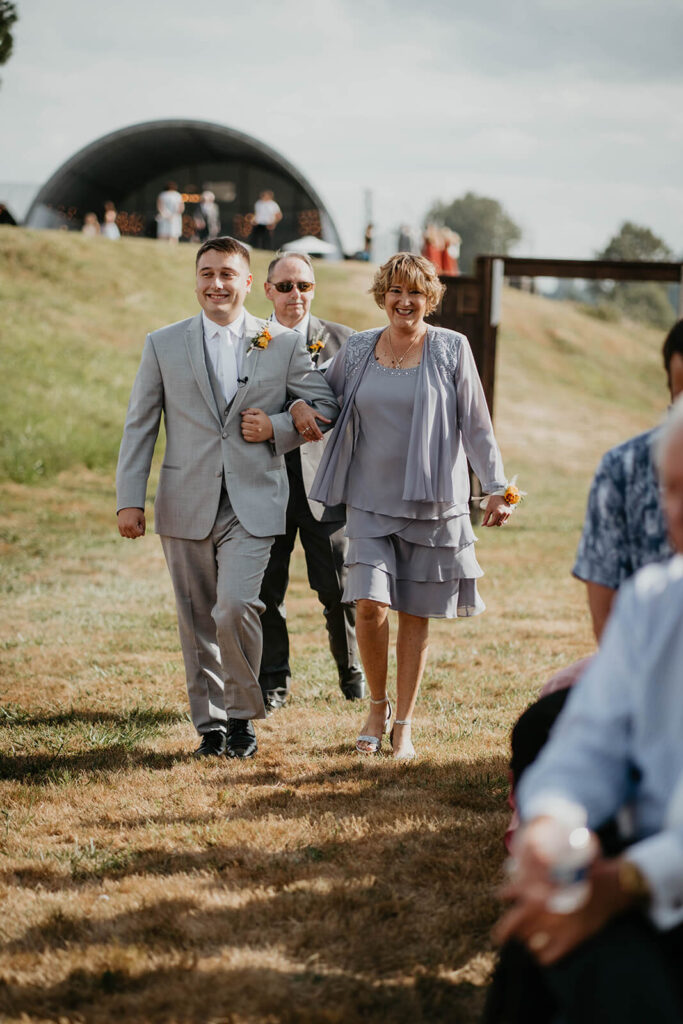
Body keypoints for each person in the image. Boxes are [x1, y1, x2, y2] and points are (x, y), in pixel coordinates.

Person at [490, 395, 683, 1024]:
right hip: (642, 873)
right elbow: (588, 743)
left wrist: (629, 882)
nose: (680, 513)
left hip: (655, 878)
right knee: (540, 942)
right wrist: (550, 824)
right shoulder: (655, 599)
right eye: (674, 491)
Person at [116, 236, 339, 760]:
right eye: (207, 274)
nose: (217, 284)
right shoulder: (163, 343)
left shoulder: (281, 341)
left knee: (236, 607)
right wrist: (130, 498)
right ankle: (211, 727)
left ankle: (242, 716)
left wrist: (280, 427)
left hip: (255, 499)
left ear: (246, 284)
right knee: (196, 616)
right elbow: (140, 426)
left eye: (227, 275)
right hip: (183, 498)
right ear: (197, 281)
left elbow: (325, 404)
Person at [293, 252, 514, 760]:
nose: (404, 301)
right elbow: (318, 395)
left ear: (430, 298)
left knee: (415, 614)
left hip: (432, 503)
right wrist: (297, 405)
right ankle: (376, 706)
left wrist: (497, 485)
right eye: (395, 290)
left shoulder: (452, 348)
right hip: (369, 501)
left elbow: (476, 425)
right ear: (382, 295)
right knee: (369, 606)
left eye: (415, 292)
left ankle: (405, 724)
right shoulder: (359, 350)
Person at [258, 252, 365, 712]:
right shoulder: (249, 342)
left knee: (339, 588)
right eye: (285, 286)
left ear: (313, 289)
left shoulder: (346, 341)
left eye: (303, 286)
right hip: (263, 483)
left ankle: (353, 674)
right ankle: (272, 683)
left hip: (326, 484)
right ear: (267, 291)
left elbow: (356, 410)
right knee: (266, 591)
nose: (294, 295)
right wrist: (291, 412)